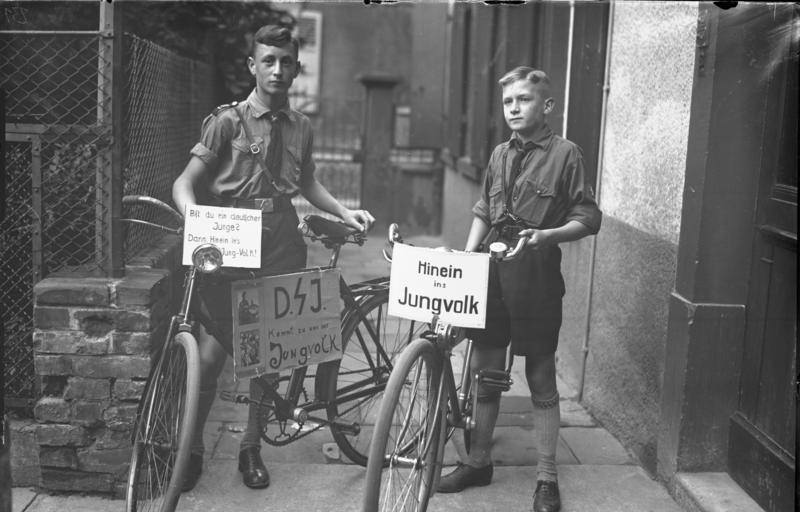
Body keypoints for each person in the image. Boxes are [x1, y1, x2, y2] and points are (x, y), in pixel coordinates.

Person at [172, 24, 375, 491]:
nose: (278, 70)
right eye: (268, 61)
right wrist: (197, 221)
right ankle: (193, 448)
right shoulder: (227, 121)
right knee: (215, 348)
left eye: (286, 62)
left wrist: (345, 210)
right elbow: (184, 182)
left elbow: (305, 183)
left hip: (281, 236)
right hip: (233, 236)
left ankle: (250, 447)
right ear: (253, 65)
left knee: (266, 352)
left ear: (296, 67)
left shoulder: (301, 125)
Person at [436, 67, 601, 512]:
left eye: (524, 100)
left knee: (540, 374)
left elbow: (588, 217)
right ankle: (478, 461)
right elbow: (483, 210)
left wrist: (547, 237)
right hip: (492, 272)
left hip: (537, 276)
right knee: (486, 371)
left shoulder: (567, 155)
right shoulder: (498, 155)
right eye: (508, 102)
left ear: (546, 106)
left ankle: (546, 477)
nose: (513, 108)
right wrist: (469, 256)